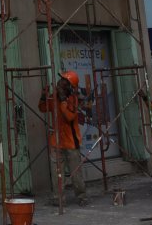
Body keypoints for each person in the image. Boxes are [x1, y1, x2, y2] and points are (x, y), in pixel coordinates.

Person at [40, 71, 88, 206]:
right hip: (56, 141)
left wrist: (62, 101)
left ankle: (82, 196)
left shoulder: (73, 99)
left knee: (75, 172)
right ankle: (58, 198)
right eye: (61, 80)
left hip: (71, 142)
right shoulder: (54, 97)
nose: (60, 82)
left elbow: (69, 117)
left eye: (64, 81)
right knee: (57, 173)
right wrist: (44, 96)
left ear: (69, 86)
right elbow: (43, 108)